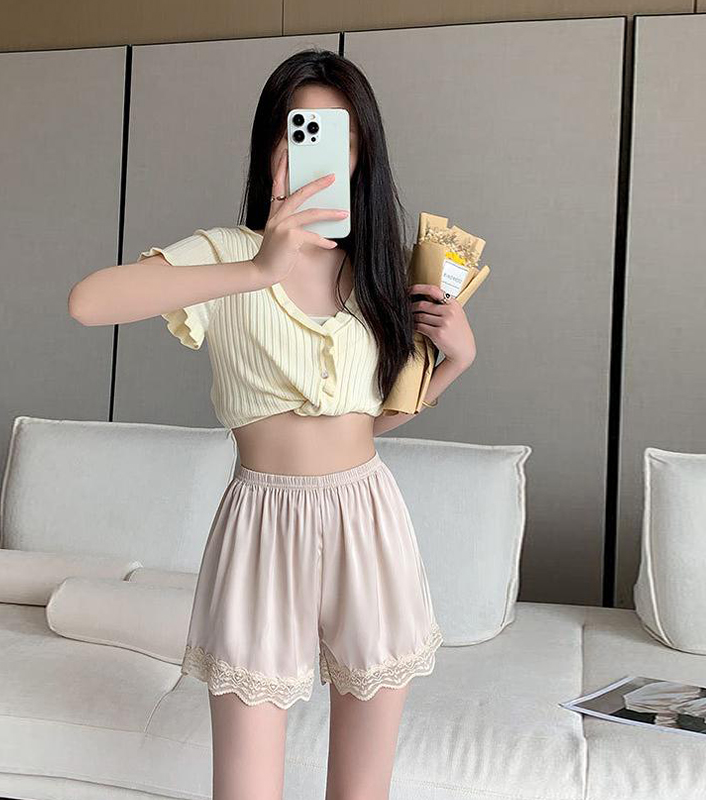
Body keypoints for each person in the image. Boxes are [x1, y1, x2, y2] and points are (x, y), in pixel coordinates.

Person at [68, 48, 476, 800]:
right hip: (261, 522)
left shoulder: (379, 272)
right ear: (268, 147)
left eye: (335, 135)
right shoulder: (225, 255)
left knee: (362, 790)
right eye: (296, 131)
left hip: (367, 516)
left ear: (361, 154)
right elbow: (88, 302)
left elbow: (367, 426)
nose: (312, 152)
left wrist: (456, 362)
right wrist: (260, 268)